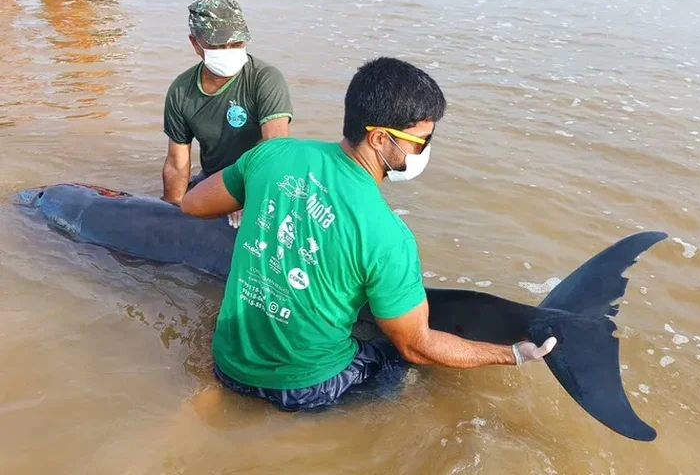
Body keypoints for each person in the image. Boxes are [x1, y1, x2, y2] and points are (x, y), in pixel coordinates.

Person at [180, 56, 556, 411]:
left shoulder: (272, 154)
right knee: (399, 363)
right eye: (421, 141)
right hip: (303, 387)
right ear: (379, 139)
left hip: (227, 363)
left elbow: (192, 204)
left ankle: (219, 396)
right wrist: (513, 354)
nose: (425, 150)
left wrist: (266, 203)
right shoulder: (389, 236)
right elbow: (417, 346)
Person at [161, 0, 294, 228]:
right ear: (195, 43)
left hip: (258, 181)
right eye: (219, 45)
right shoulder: (181, 90)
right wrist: (170, 213)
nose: (229, 50)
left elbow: (276, 151)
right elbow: (176, 164)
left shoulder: (265, 79)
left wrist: (246, 196)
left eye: (236, 44)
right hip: (213, 180)